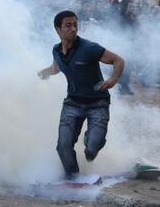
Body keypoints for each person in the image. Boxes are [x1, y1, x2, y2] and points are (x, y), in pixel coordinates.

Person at [38, 10, 124, 178]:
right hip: (72, 103)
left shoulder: (89, 48)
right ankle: (73, 177)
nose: (73, 29)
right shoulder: (56, 50)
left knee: (92, 149)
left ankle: (91, 142)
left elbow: (118, 60)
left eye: (75, 25)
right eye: (68, 25)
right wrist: (44, 72)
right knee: (63, 146)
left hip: (98, 103)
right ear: (58, 29)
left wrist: (112, 80)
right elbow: (56, 67)